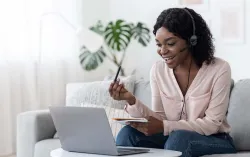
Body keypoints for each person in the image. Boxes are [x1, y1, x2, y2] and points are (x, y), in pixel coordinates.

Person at [109, 7, 237, 157]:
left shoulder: (219, 69)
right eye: (158, 44)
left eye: (170, 43)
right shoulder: (158, 70)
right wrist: (130, 100)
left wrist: (165, 126)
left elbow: (212, 124)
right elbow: (160, 118)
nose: (162, 51)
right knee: (127, 134)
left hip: (214, 138)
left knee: (178, 140)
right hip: (173, 135)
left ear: (191, 41)